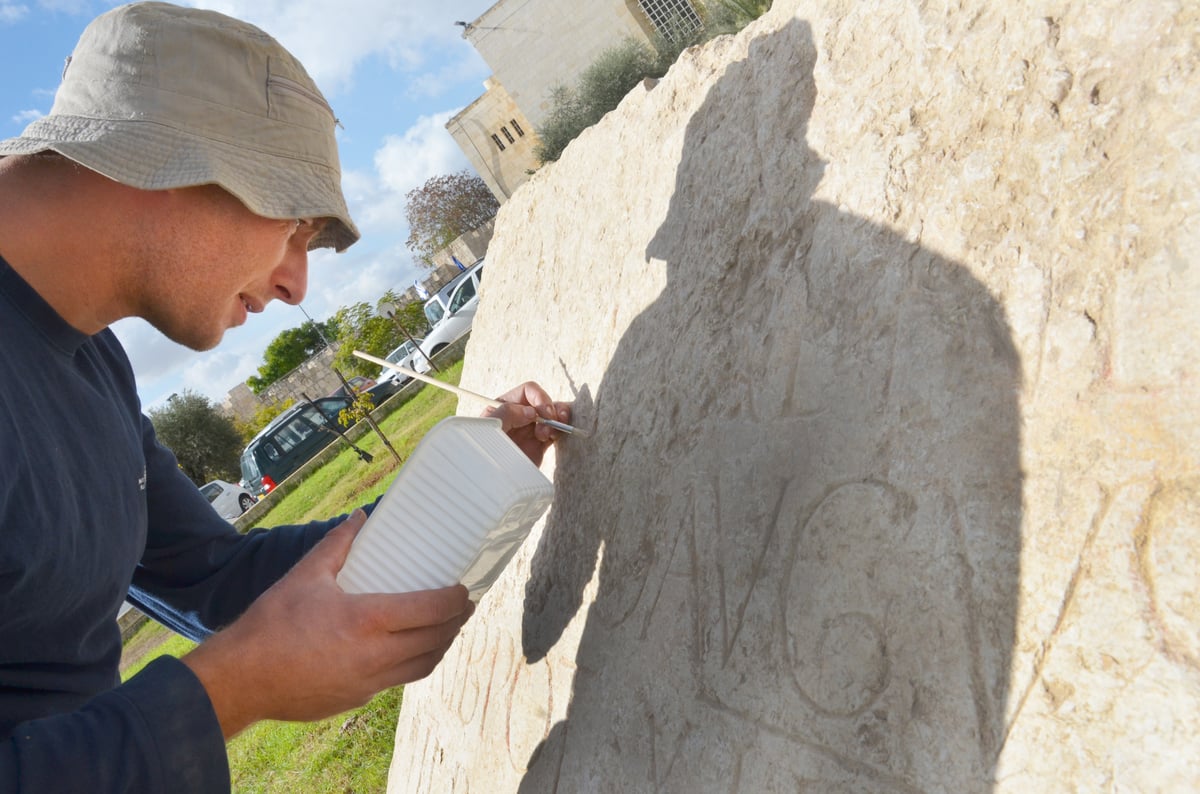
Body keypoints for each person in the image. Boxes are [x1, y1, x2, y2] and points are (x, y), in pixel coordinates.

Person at [0, 3, 570, 792]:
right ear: (163, 163)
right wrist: (234, 688)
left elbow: (212, 576)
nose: (296, 284)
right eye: (295, 227)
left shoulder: (94, 360)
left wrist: (457, 491)